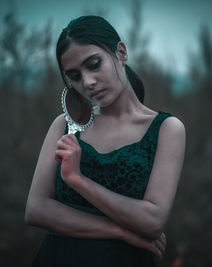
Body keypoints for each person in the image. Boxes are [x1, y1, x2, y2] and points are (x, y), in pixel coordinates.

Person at [25, 15, 186, 267]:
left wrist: (78, 180)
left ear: (121, 53)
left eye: (94, 64)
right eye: (75, 76)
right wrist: (120, 231)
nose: (87, 82)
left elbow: (152, 221)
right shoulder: (64, 126)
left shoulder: (166, 129)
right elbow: (36, 210)